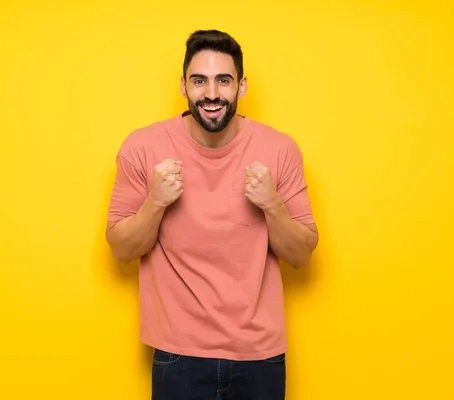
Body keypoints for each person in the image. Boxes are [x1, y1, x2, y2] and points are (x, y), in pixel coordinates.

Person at [106, 29, 318, 400]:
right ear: (183, 86)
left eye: (224, 80)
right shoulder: (142, 147)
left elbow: (300, 255)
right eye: (199, 81)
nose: (212, 94)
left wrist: (272, 205)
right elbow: (122, 250)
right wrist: (155, 201)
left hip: (261, 355)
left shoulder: (279, 148)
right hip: (177, 353)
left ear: (242, 86)